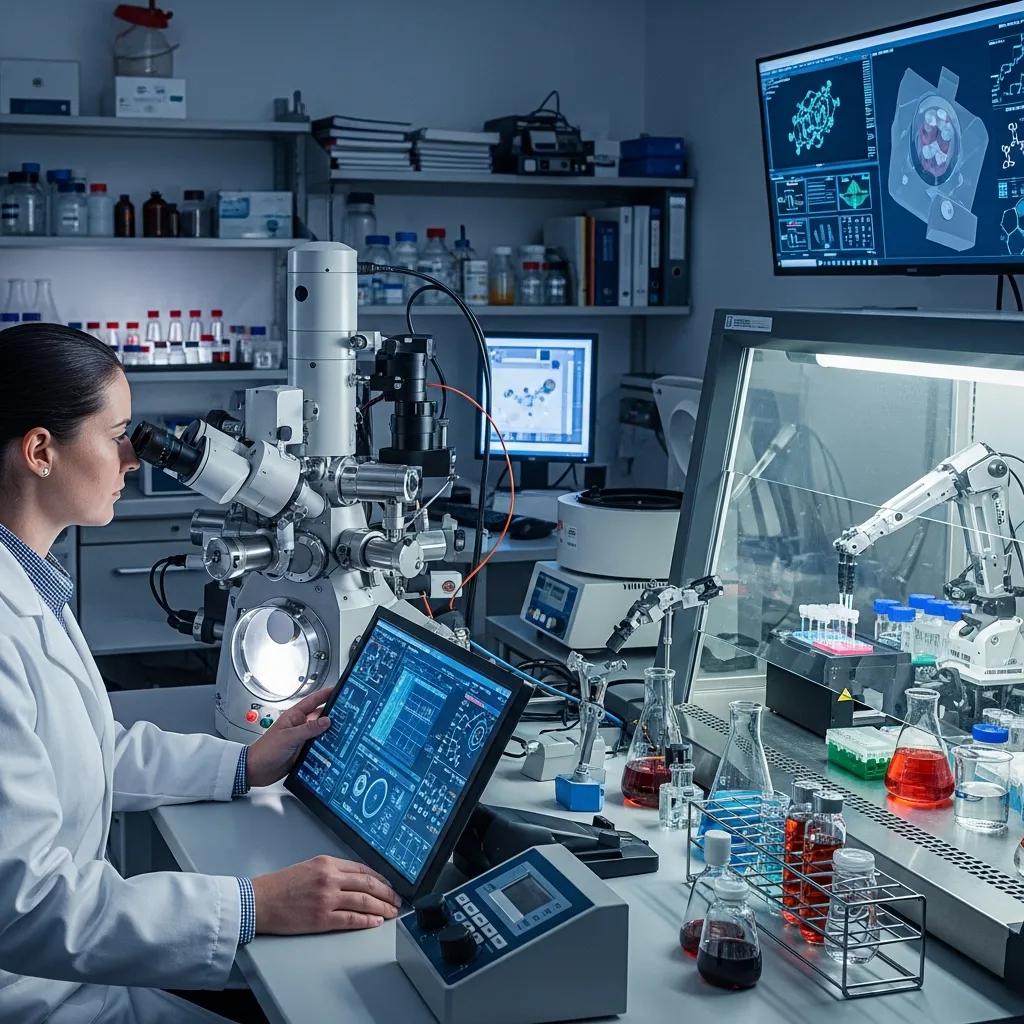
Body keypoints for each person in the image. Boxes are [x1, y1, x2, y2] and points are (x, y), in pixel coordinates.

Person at [0, 323, 402, 1023]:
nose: (133, 457)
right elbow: (30, 907)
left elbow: (87, 752)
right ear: (40, 452)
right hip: (39, 996)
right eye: (117, 432)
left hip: (78, 980)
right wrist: (258, 904)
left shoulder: (31, 582)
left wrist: (245, 765)